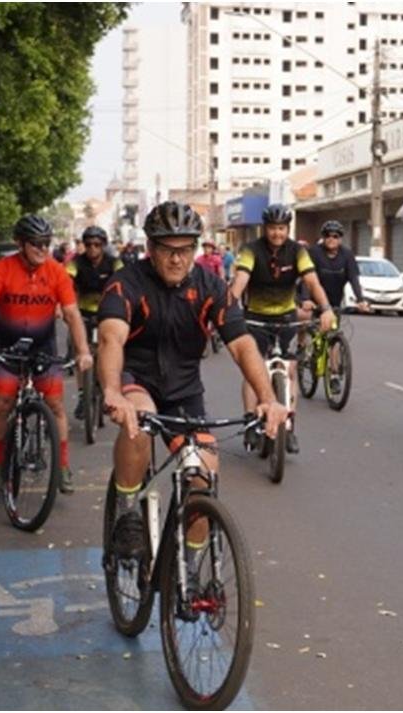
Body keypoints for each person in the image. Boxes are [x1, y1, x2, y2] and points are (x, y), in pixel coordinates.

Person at [97, 201, 288, 562]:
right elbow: (110, 338)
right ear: (150, 249)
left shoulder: (211, 286)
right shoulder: (126, 284)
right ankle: (126, 509)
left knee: (204, 475)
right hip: (135, 379)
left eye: (185, 249)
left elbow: (242, 343)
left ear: (195, 250)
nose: (176, 259)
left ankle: (189, 569)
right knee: (140, 422)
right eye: (167, 249)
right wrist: (110, 391)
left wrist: (267, 397)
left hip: (184, 390)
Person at [0, 214, 94, 496]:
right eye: (35, 244)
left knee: (56, 405)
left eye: (46, 243)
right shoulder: (2, 269)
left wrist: (83, 352)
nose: (42, 249)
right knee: (1, 404)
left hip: (44, 348)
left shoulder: (56, 271)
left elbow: (71, 313)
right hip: (6, 348)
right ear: (20, 244)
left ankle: (63, 467)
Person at [229, 204, 335, 454]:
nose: (277, 233)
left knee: (290, 370)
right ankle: (249, 421)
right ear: (264, 228)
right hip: (255, 318)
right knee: (252, 370)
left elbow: (312, 281)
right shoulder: (250, 250)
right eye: (273, 228)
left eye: (281, 228)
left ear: (287, 229)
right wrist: (229, 310)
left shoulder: (298, 251)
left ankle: (289, 426)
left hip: (286, 318)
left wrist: (326, 308)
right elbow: (240, 282)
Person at [65, 225, 122, 419]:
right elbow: (66, 279)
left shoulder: (114, 263)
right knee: (81, 352)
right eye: (88, 244)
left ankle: (109, 390)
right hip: (83, 312)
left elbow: (125, 281)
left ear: (103, 245)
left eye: (97, 245)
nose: (92, 249)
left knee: (109, 348)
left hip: (107, 313)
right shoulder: (76, 263)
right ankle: (83, 395)